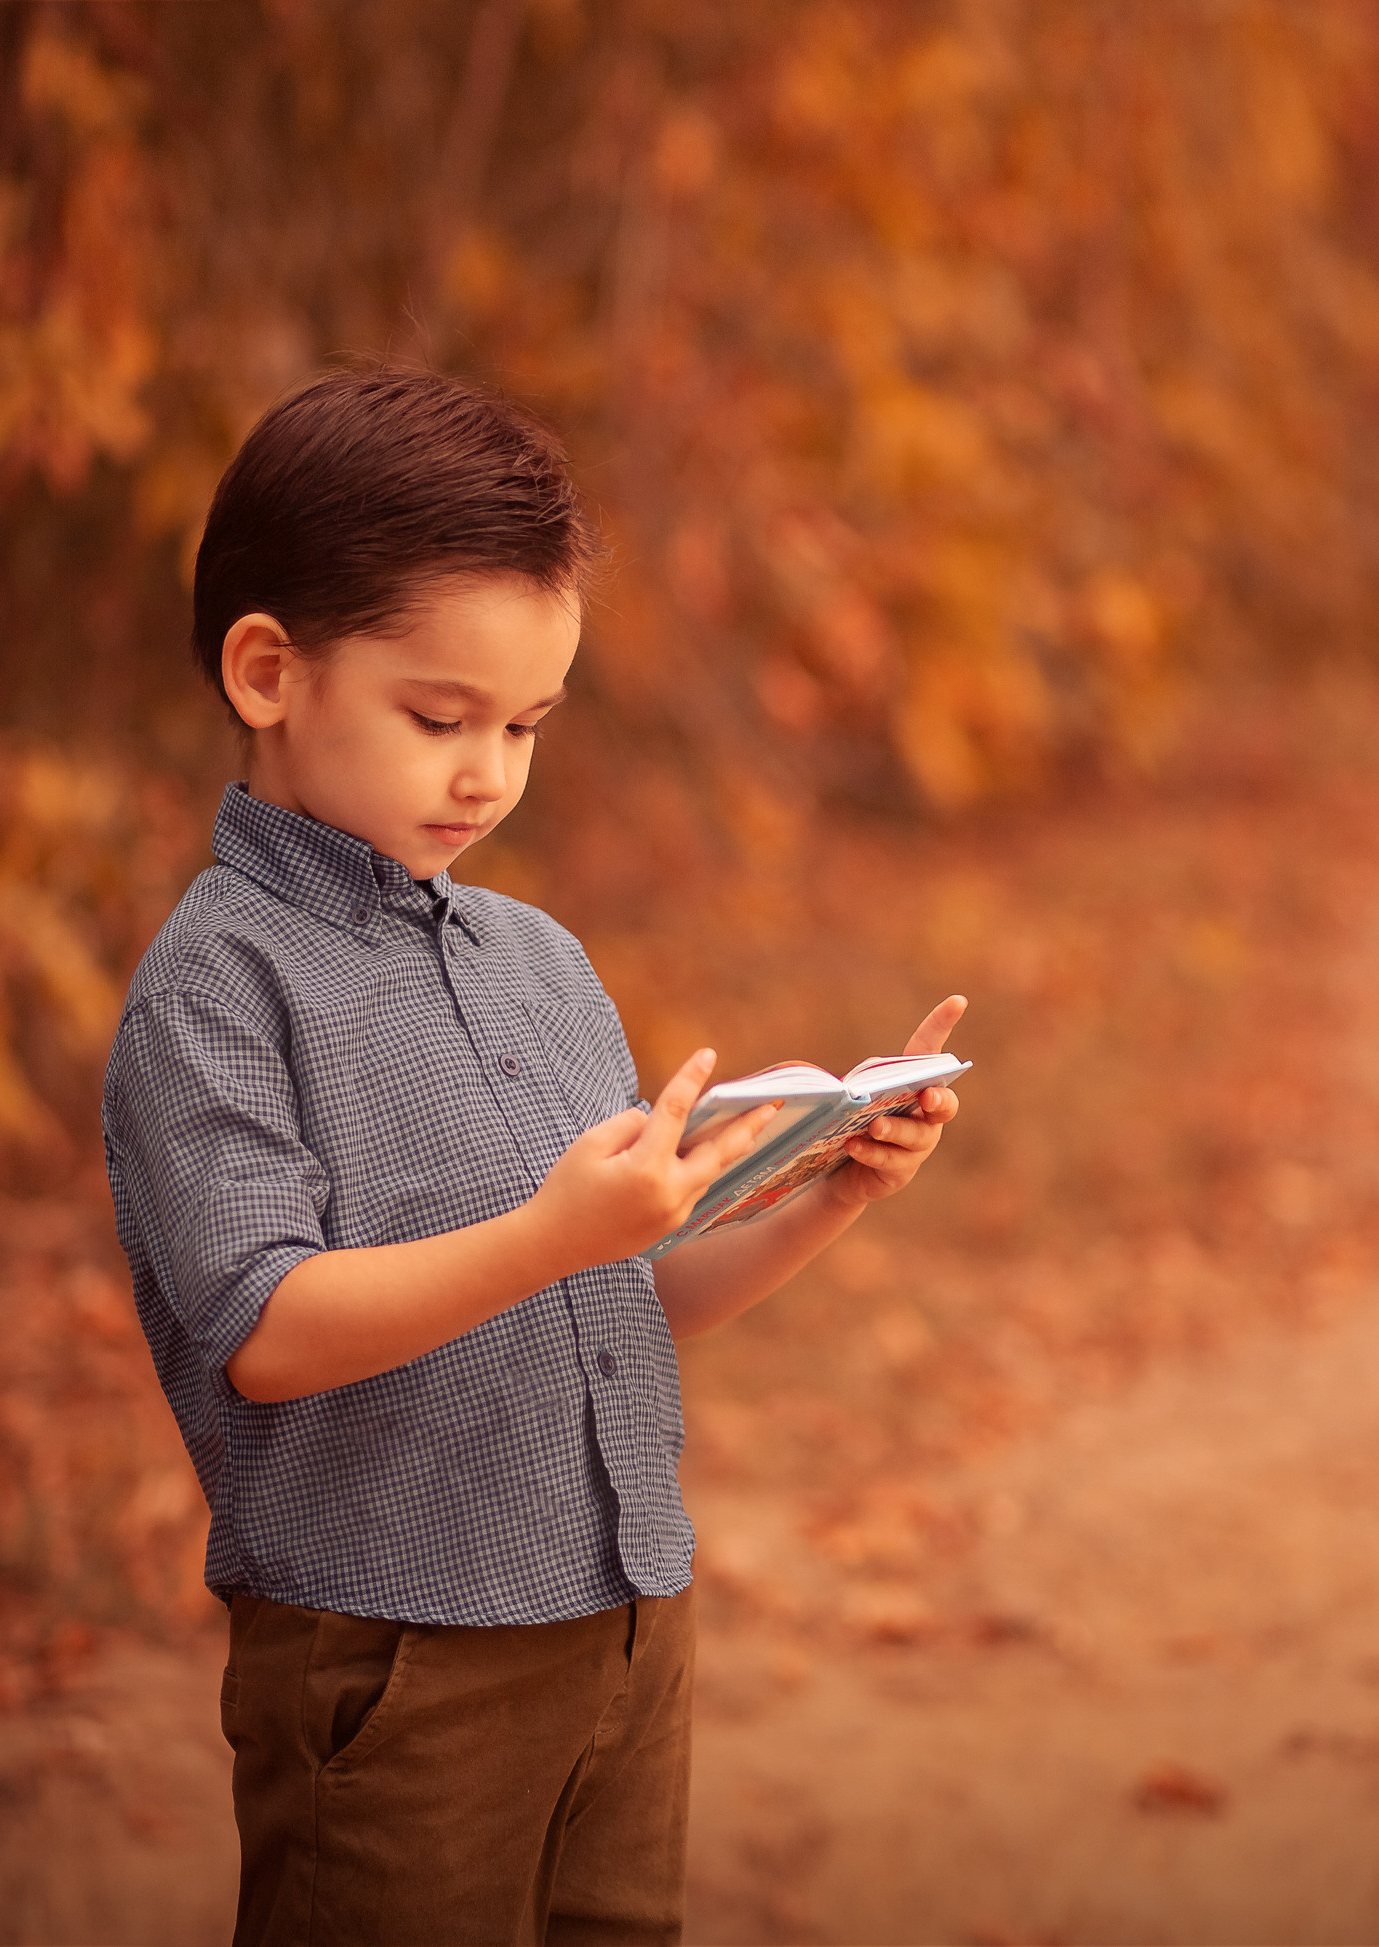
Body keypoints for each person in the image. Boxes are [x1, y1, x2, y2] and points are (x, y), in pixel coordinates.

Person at [100, 367, 965, 1946]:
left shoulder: (538, 960)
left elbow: (621, 1295)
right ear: (268, 671)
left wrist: (830, 1190)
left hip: (626, 1628)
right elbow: (268, 1340)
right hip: (393, 1661)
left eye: (526, 727)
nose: (488, 772)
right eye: (440, 719)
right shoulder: (218, 984)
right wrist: (554, 1235)